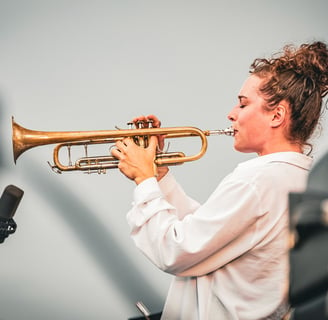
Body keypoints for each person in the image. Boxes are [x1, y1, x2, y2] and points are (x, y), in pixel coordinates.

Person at [111, 41, 328, 320]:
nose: (231, 114)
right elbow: (212, 233)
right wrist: (158, 175)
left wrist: (143, 179)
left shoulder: (256, 180)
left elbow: (174, 251)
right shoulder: (301, 178)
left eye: (243, 103)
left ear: (277, 115)